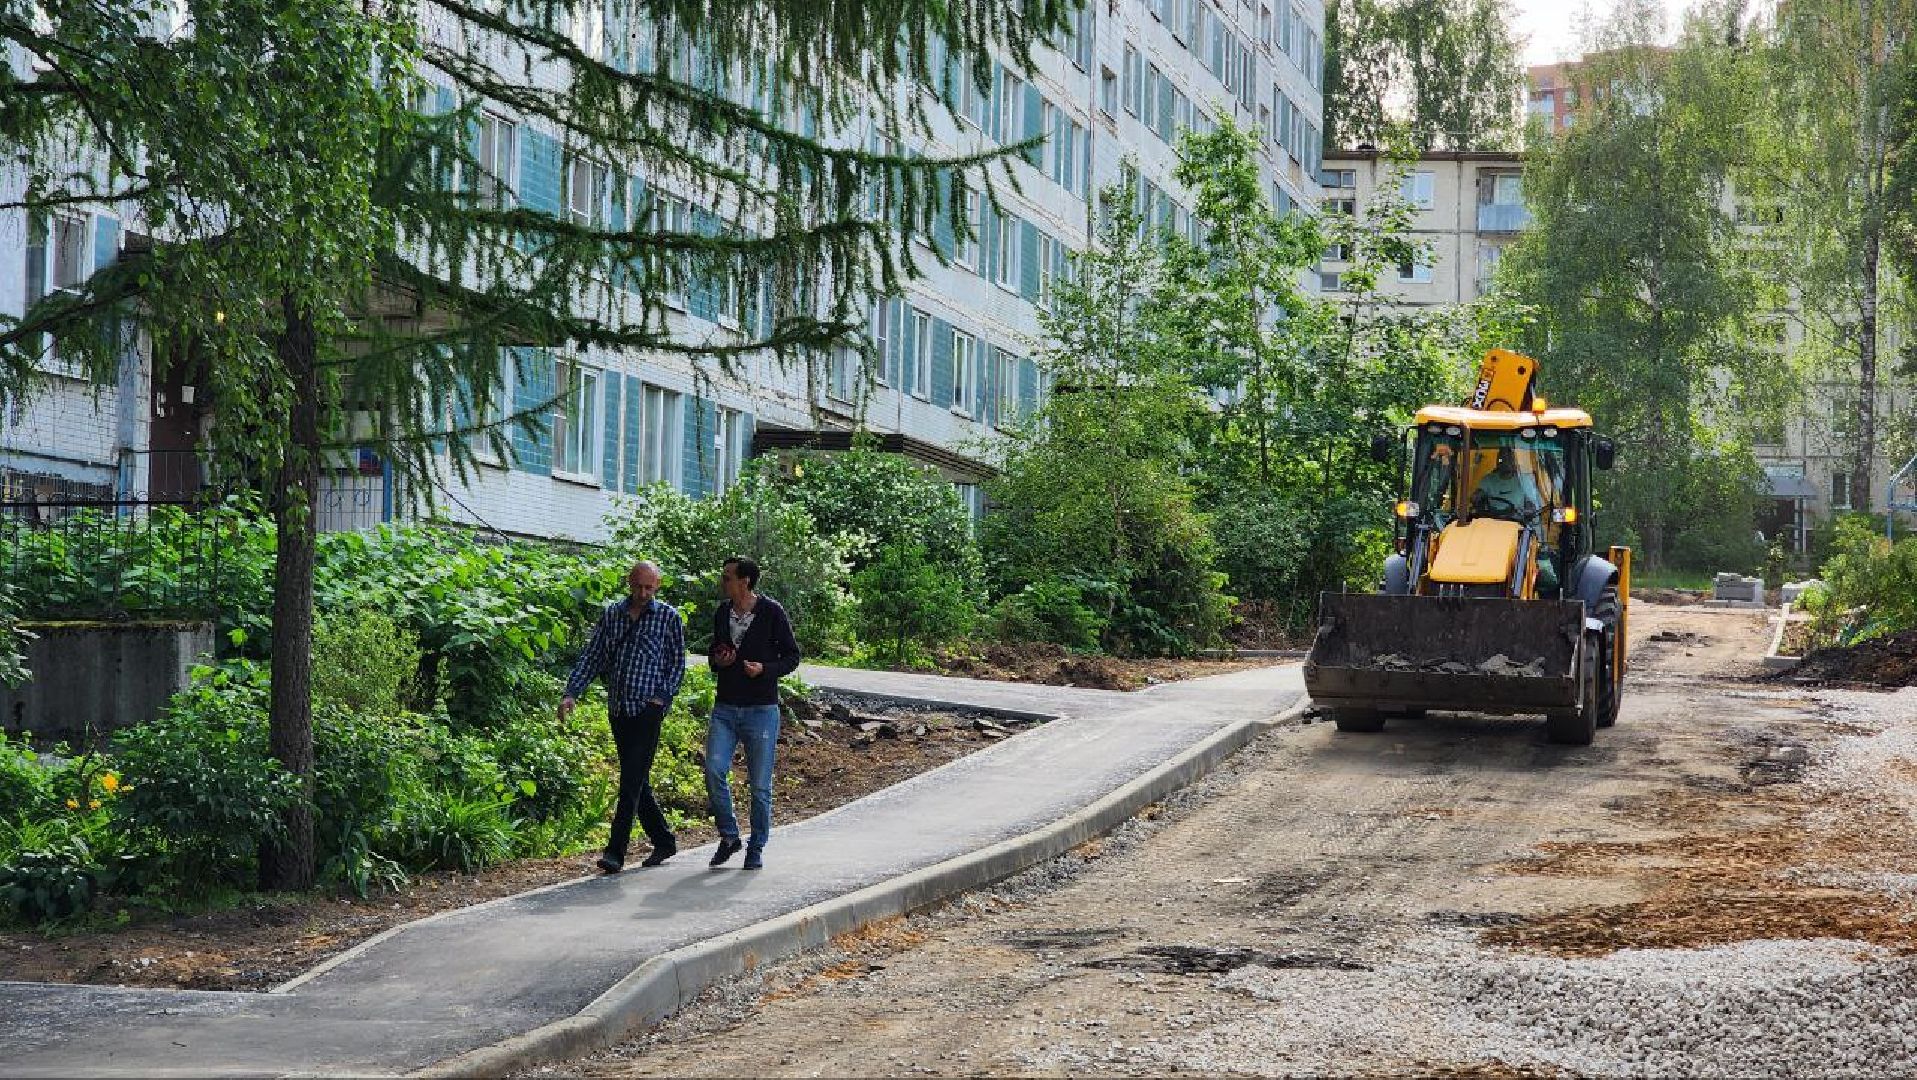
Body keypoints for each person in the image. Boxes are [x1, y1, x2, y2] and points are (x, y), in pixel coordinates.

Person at [560, 560, 686, 874]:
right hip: (618, 707)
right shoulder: (612, 614)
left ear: (657, 586)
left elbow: (677, 664)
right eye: (637, 586)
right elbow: (593, 656)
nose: (642, 593)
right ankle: (664, 840)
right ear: (629, 583)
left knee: (629, 782)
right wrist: (571, 693)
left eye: (649, 587)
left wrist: (661, 699)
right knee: (637, 780)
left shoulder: (668, 617)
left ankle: (615, 852)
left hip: (648, 710)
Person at [706, 556, 801, 870]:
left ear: (745, 581)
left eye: (728, 577)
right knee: (714, 770)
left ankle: (756, 845)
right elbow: (714, 651)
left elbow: (792, 657)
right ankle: (730, 836)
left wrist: (765, 669)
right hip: (725, 706)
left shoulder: (772, 612)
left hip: (761, 709)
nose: (724, 582)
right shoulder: (722, 612)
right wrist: (718, 658)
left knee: (760, 785)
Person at [1471, 448, 1542, 522]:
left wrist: (1529, 509)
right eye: (1502, 460)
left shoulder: (1524, 480)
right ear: (1497, 462)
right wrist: (1476, 496)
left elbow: (1532, 503)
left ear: (1514, 461)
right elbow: (1479, 493)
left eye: (1508, 459)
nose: (1505, 462)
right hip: (1492, 521)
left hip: (1517, 521)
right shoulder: (1488, 479)